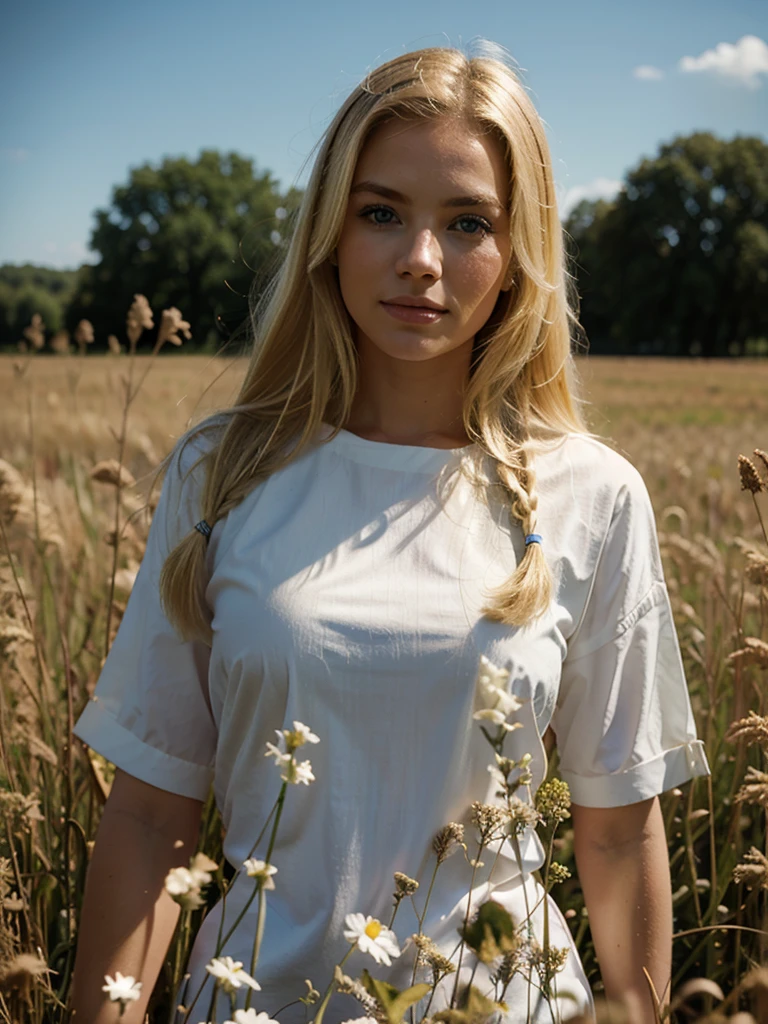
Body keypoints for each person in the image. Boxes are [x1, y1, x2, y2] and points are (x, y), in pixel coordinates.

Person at [69, 42, 711, 1024]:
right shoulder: (222, 472)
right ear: (330, 231)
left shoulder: (595, 494)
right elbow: (153, 815)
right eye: (381, 213)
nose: (421, 258)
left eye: (468, 222)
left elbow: (620, 831)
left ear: (519, 253)